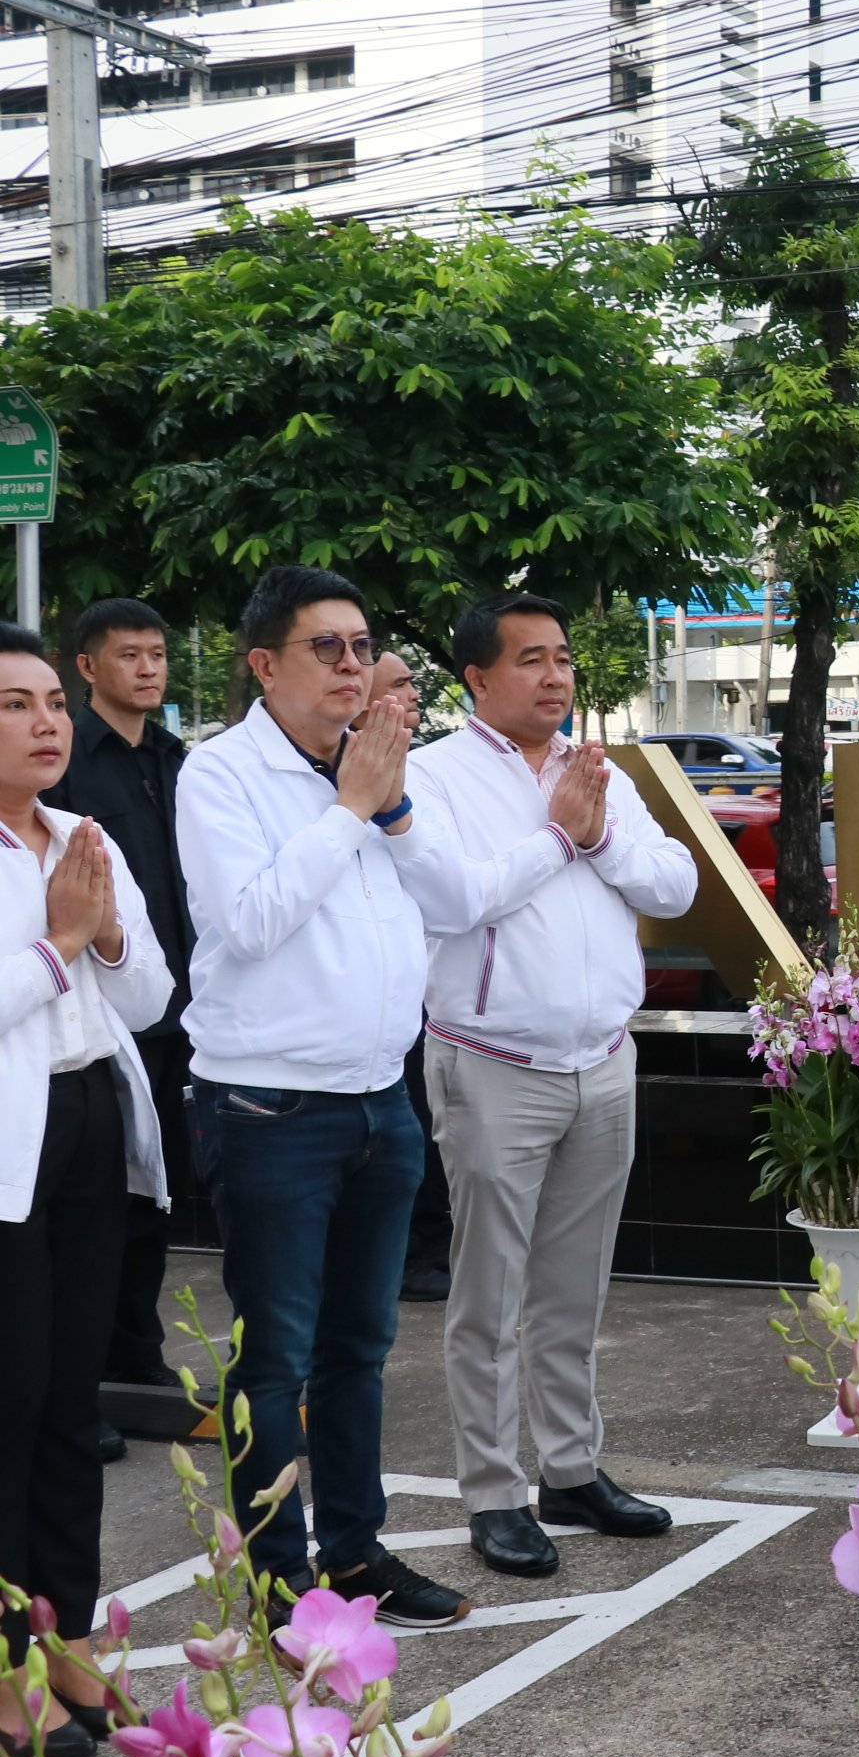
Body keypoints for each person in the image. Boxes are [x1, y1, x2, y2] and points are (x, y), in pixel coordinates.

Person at [178, 567, 473, 1627]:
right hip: (270, 1110)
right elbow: (250, 921)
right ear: (265, 664)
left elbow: (458, 901)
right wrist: (349, 811)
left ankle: (354, 1551)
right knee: (277, 1355)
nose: (355, 667)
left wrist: (387, 810)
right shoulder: (220, 775)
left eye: (362, 647)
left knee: (361, 1346)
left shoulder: (376, 770)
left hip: (377, 1100)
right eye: (328, 650)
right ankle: (278, 1571)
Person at [407, 594, 694, 1579]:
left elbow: (674, 885)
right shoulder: (430, 776)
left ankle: (571, 1467)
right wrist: (561, 839)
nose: (556, 675)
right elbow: (451, 898)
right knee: (489, 1294)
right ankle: (495, 1491)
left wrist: (599, 829)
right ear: (477, 679)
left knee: (575, 1289)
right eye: (530, 659)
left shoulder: (593, 767)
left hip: (602, 1061)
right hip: (494, 1065)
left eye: (562, 657)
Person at [0, 623, 173, 1757]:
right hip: (6, 1155)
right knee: (5, 1417)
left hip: (89, 1126)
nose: (48, 722)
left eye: (53, 701)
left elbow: (154, 997)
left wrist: (104, 935)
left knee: (72, 1410)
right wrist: (63, 943)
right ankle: (8, 1668)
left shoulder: (81, 834)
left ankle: (61, 1639)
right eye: (17, 705)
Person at [46, 599, 192, 1443]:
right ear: (88, 667)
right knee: (85, 1209)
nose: (148, 668)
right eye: (129, 655)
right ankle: (82, 1377)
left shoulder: (178, 760)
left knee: (155, 1197)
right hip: (88, 1015)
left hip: (171, 1005)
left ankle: (134, 1351)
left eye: (158, 653)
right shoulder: (68, 773)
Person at [366, 652, 453, 1305]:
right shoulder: (350, 785)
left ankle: (426, 1250)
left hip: (424, 990)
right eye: (398, 685)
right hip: (377, 1000)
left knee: (425, 1129)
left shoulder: (420, 773)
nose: (413, 693)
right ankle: (409, 1257)